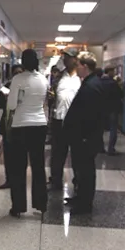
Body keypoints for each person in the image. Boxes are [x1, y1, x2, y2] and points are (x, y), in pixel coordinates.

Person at [6, 49, 49, 217]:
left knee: (18, 167)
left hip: (21, 126)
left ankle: (18, 207)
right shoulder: (43, 80)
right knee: (38, 166)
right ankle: (41, 205)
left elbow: (11, 106)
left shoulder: (17, 79)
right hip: (39, 125)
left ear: (23, 62)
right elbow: (42, 101)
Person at [63, 51, 106, 214]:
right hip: (82, 137)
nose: (77, 69)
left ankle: (85, 204)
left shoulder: (92, 86)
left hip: (86, 138)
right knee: (80, 170)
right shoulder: (90, 83)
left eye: (79, 65)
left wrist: (84, 137)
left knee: (86, 171)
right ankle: (80, 197)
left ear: (85, 67)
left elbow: (90, 115)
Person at [49, 48, 81, 190]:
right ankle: (55, 180)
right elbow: (52, 95)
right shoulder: (59, 77)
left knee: (77, 155)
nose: (66, 60)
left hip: (75, 122)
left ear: (76, 59)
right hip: (58, 120)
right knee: (57, 154)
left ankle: (78, 181)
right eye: (65, 57)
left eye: (69, 57)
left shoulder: (81, 77)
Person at [0, 64, 24, 189]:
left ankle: (19, 180)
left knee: (20, 155)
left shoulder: (26, 88)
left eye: (20, 72)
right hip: (8, 124)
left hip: (22, 125)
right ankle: (9, 180)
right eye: (15, 73)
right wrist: (6, 98)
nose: (17, 75)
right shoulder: (7, 86)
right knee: (8, 155)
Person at [101, 67, 124, 155]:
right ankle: (111, 148)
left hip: (102, 109)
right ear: (109, 72)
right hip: (112, 109)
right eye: (113, 71)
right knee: (113, 129)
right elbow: (121, 94)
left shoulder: (100, 82)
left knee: (101, 129)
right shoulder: (113, 83)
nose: (114, 73)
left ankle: (101, 147)